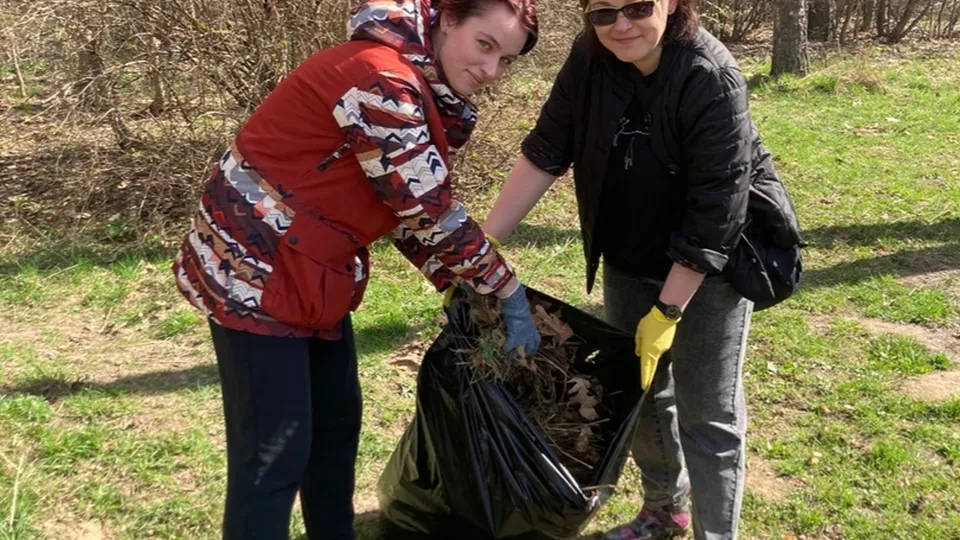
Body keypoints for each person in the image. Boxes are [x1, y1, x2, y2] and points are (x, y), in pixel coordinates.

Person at [171, 0, 540, 537]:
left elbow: (400, 209)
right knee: (274, 453)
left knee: (335, 428)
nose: (490, 71)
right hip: (252, 266)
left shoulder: (423, 88)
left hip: (315, 268)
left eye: (505, 60)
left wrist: (454, 282)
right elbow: (427, 209)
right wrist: (506, 291)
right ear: (447, 20)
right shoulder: (380, 78)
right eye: (485, 45)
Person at [481, 0, 799, 538]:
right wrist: (485, 245)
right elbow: (546, 149)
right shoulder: (590, 56)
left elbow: (718, 208)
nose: (621, 25)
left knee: (708, 417)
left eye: (636, 6)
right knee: (642, 398)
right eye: (603, 13)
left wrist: (670, 308)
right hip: (628, 255)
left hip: (711, 271)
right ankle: (664, 510)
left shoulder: (710, 76)